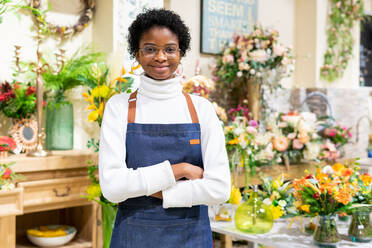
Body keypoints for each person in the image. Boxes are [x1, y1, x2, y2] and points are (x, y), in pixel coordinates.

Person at [99, 8, 230, 248]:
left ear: (180, 54)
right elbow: (111, 188)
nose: (160, 57)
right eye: (150, 49)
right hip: (133, 237)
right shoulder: (118, 107)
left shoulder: (201, 109)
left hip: (192, 237)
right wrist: (179, 170)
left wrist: (157, 192)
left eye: (169, 49)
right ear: (137, 54)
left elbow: (220, 189)